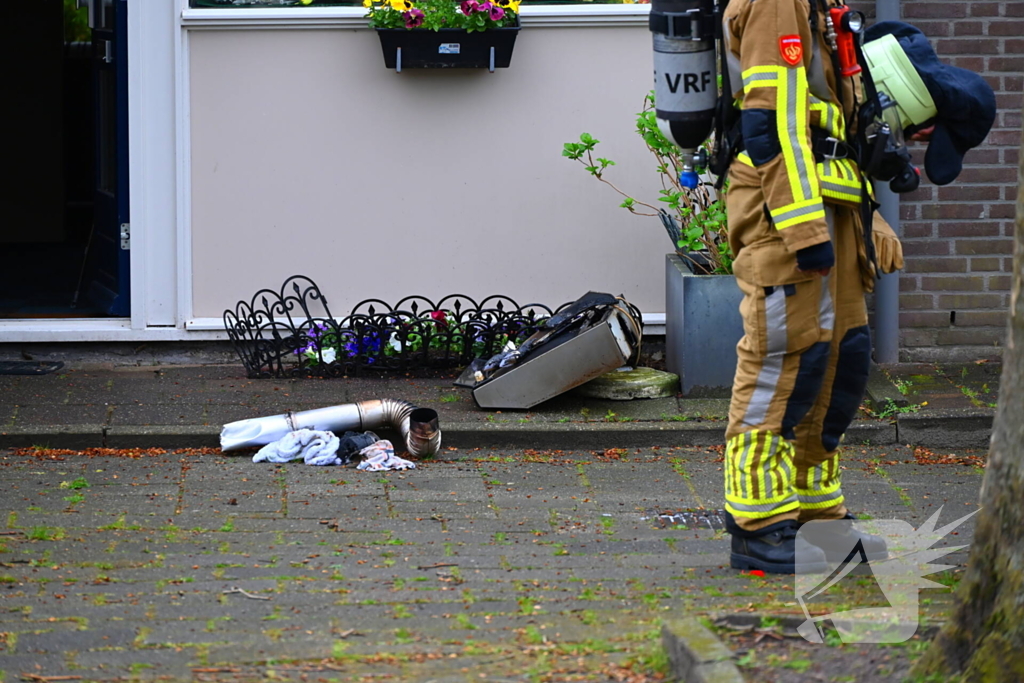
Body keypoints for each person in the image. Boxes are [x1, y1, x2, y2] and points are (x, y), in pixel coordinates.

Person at [719, 0, 904, 574]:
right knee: (783, 363)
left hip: (834, 207)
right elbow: (773, 123)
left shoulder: (819, 4)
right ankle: (758, 525)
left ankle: (817, 521)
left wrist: (866, 215)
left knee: (838, 366)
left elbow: (838, 128)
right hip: (785, 212)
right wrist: (804, 229)